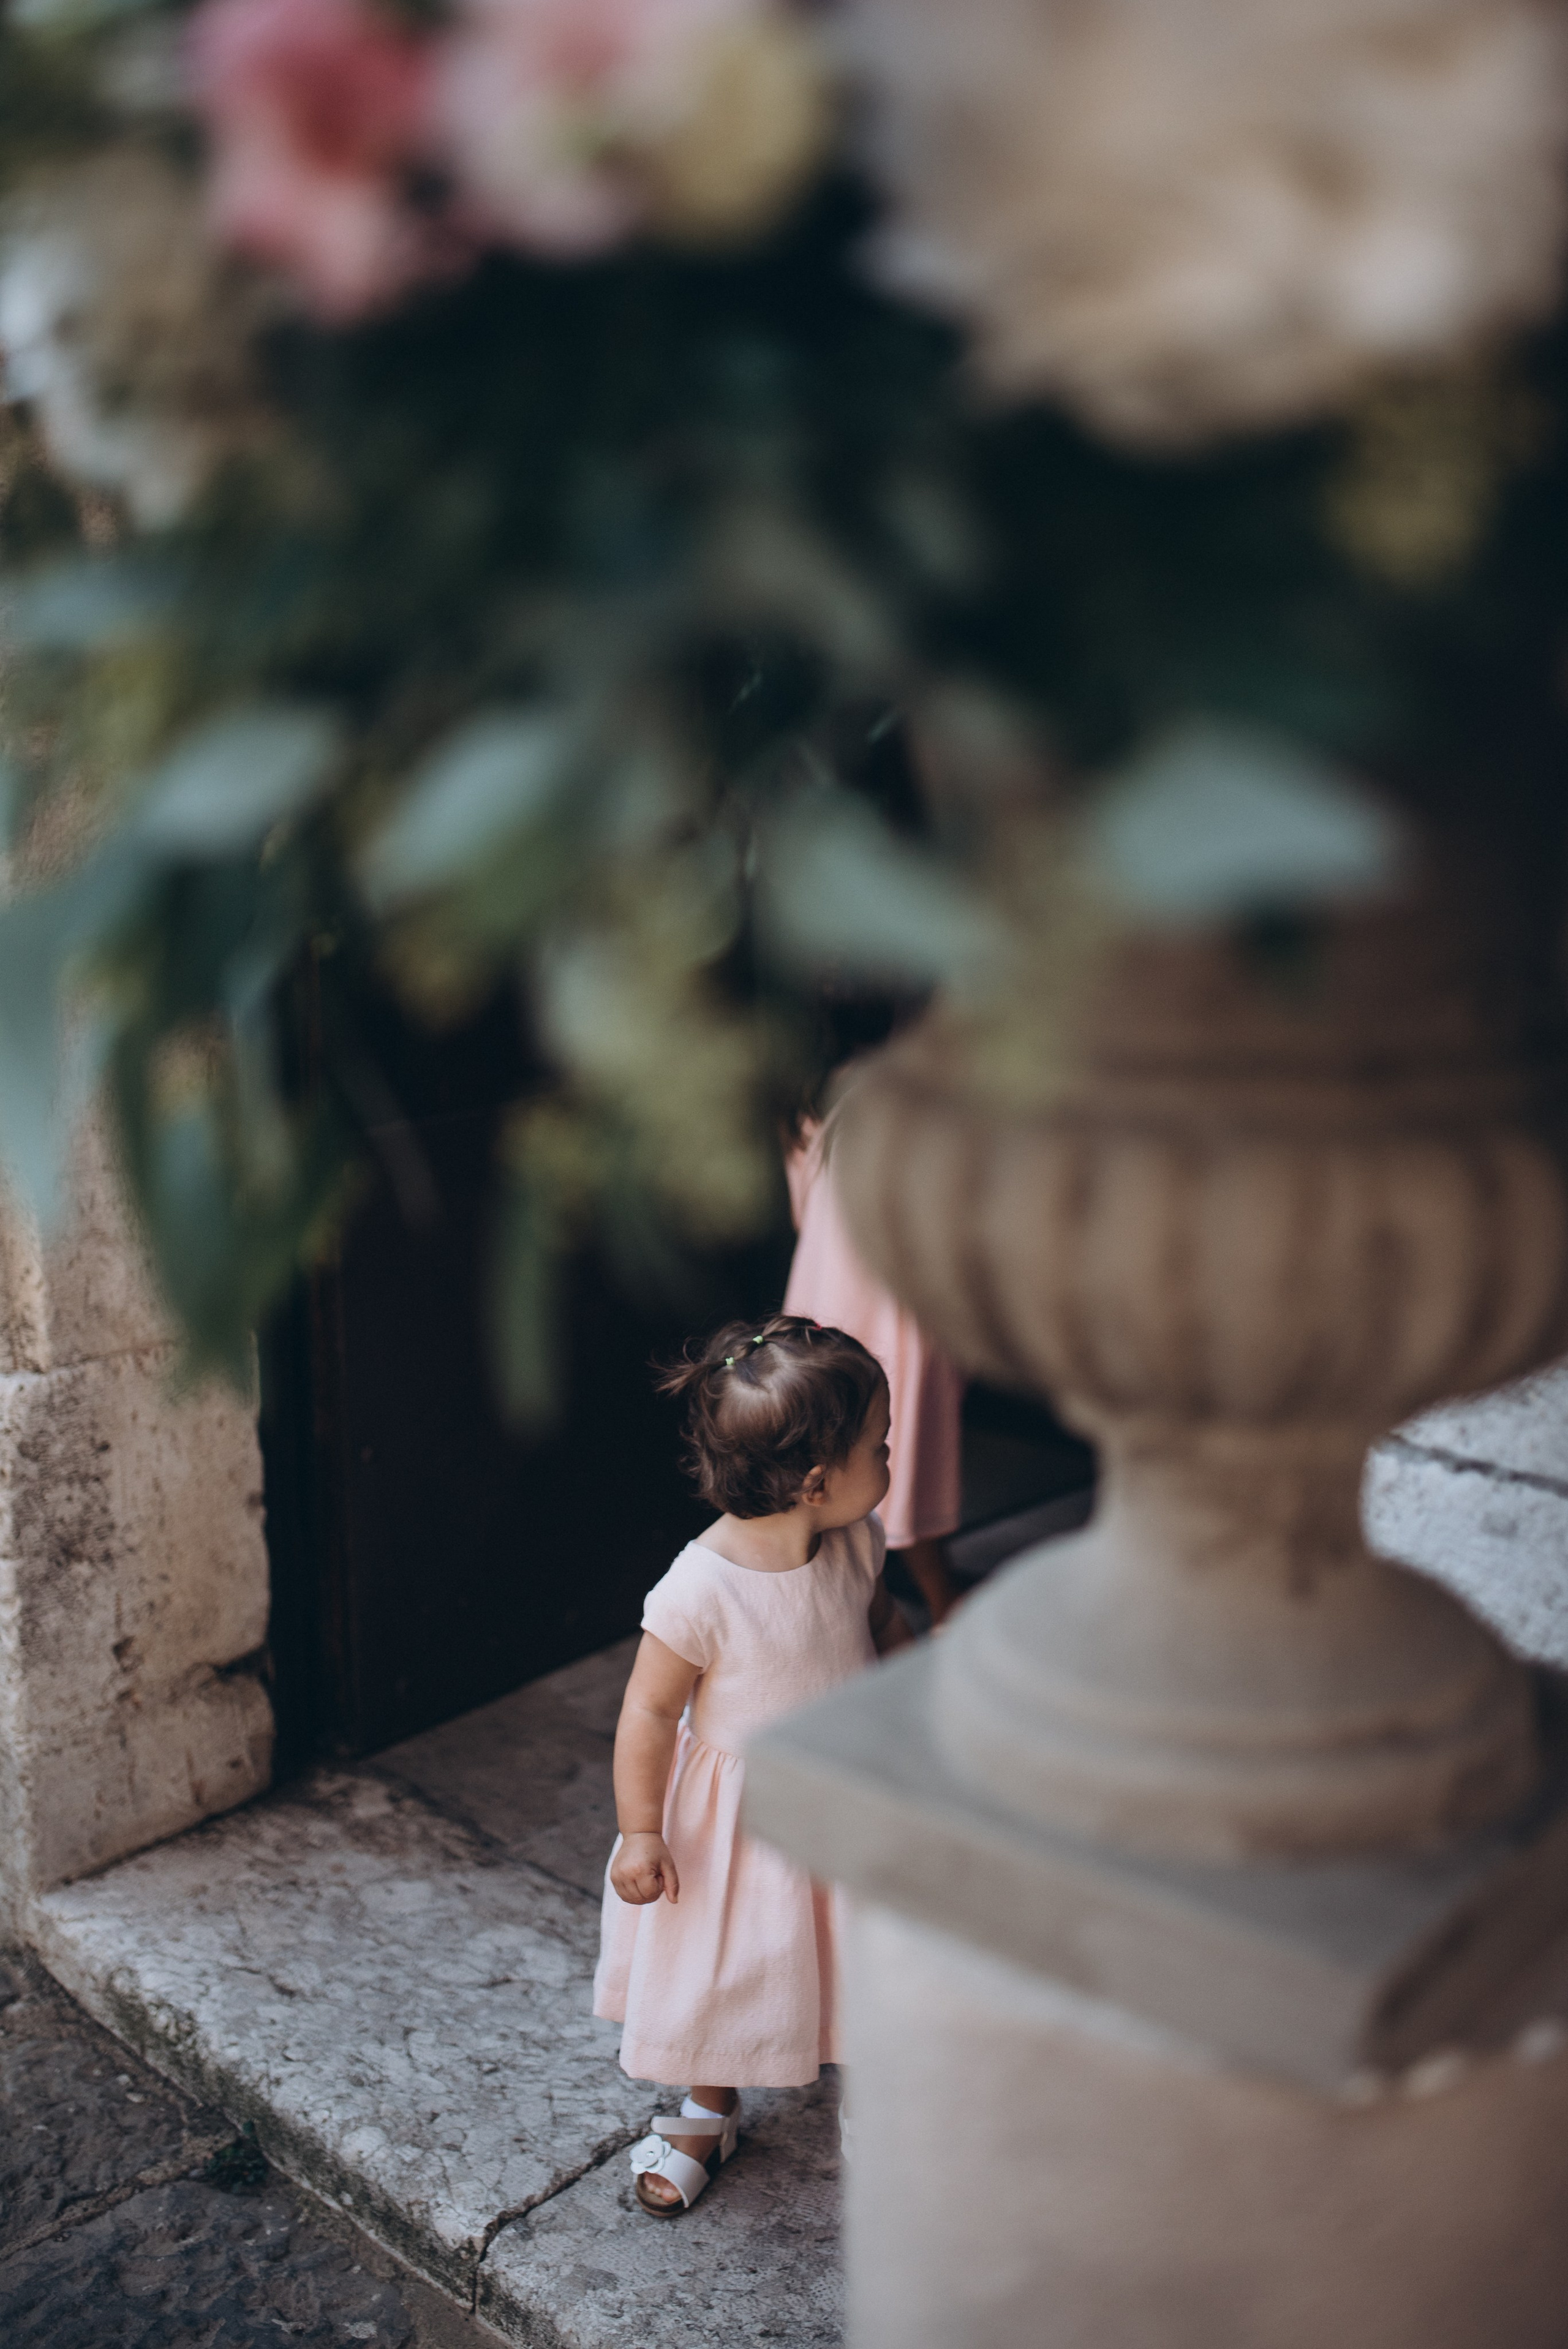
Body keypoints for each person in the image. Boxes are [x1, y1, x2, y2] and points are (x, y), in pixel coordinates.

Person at [593, 1313, 911, 2216]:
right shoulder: (700, 1589)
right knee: (727, 1970)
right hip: (739, 1826)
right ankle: (710, 2101)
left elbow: (877, 1625)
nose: (891, 1460)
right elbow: (650, 1709)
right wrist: (642, 1829)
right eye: (880, 1446)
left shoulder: (854, 1542)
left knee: (858, 1950)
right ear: (817, 1480)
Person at [783, 1107, 963, 1624]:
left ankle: (896, 1592)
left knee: (858, 1436)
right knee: (897, 1443)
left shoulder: (814, 1096)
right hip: (896, 1291)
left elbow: (802, 1205)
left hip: (827, 1286)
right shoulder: (916, 1095)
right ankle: (936, 1593)